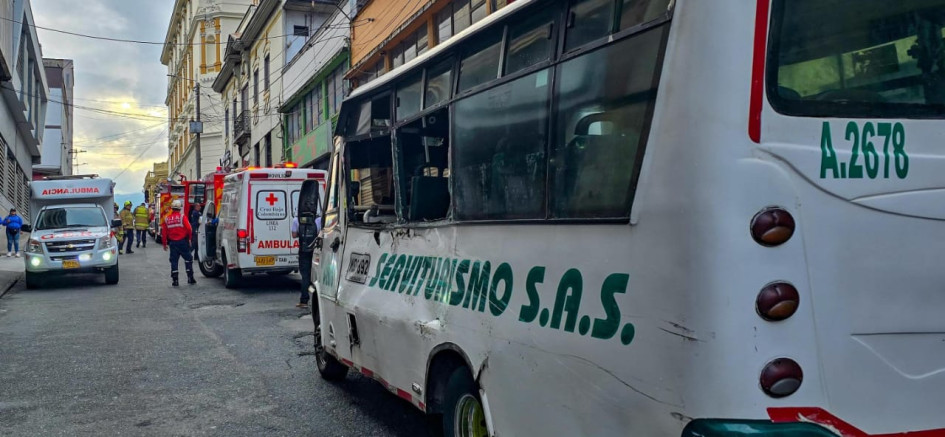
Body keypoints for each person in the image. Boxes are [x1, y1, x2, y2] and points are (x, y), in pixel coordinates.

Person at [162, 199, 196, 286]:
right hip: (182, 242)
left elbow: (164, 232)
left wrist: (164, 244)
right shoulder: (182, 217)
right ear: (180, 208)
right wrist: (189, 239)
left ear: (172, 208)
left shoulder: (167, 219)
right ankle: (190, 277)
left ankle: (175, 280)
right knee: (188, 259)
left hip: (172, 243)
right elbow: (189, 228)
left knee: (174, 261)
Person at [291, 214, 321, 308]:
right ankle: (316, 297)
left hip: (304, 250)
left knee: (305, 275)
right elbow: (320, 233)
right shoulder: (318, 219)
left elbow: (294, 235)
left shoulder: (296, 219)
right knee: (316, 274)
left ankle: (304, 301)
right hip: (315, 250)